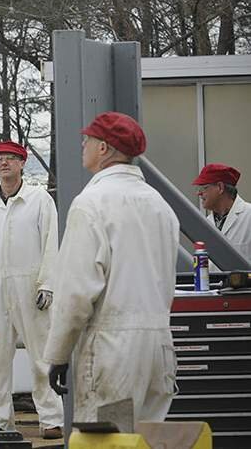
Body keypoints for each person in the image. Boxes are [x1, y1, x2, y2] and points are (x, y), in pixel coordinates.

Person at [44, 112, 179, 424]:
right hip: (159, 349)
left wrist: (58, 355)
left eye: (88, 140)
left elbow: (75, 294)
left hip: (114, 352)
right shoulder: (160, 206)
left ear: (103, 148)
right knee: (147, 440)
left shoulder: (92, 203)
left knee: (110, 439)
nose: (83, 144)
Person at [0, 141, 63, 439]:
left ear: (23, 163)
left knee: (41, 355)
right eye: (0, 158)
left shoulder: (38, 200)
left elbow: (51, 244)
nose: (4, 163)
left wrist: (47, 283)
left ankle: (51, 418)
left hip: (31, 288)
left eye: (11, 158)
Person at [193, 163, 251, 266]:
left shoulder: (248, 215)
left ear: (220, 187)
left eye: (204, 188)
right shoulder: (207, 222)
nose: (199, 193)